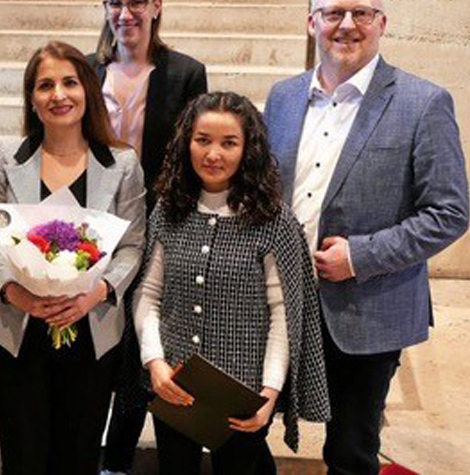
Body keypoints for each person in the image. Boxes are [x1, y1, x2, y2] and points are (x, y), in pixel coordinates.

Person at [263, 0, 469, 474]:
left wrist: (360, 256)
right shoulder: (284, 97)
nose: (347, 25)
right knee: (246, 429)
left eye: (362, 13)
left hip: (368, 309)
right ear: (312, 22)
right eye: (334, 13)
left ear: (382, 23)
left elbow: (449, 212)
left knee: (351, 452)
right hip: (279, 303)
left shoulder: (423, 103)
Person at [136, 91, 329, 474]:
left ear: (248, 150)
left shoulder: (274, 221)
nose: (213, 154)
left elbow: (283, 316)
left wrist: (269, 393)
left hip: (244, 390)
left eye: (229, 143)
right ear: (186, 143)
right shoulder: (168, 209)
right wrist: (155, 364)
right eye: (203, 140)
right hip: (173, 382)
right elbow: (148, 294)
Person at [0, 41, 146, 475]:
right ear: (31, 99)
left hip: (92, 333)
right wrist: (21, 296)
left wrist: (94, 295)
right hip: (18, 332)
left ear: (87, 90)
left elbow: (132, 245)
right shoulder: (4, 159)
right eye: (45, 85)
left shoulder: (123, 165)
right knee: (23, 457)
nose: (59, 94)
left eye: (69, 82)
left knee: (78, 455)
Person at [89, 0, 207, 475]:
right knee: (102, 349)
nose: (126, 13)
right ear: (105, 8)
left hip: (160, 226)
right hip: (95, 228)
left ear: (157, 5)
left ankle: (119, 459)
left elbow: (194, 158)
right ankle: (101, 455)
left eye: (137, 1)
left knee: (144, 343)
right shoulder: (87, 72)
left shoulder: (184, 73)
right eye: (117, 2)